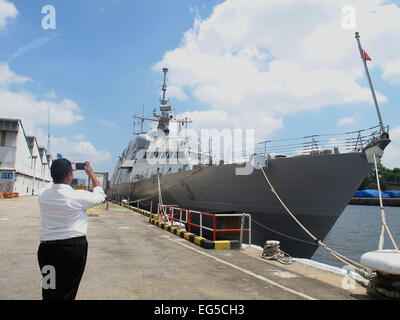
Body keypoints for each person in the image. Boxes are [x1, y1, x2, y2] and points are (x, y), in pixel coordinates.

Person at [37, 158, 105, 300]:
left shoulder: (42, 195)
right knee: (67, 292)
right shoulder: (77, 196)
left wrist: (60, 171)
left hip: (47, 250)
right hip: (72, 251)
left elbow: (53, 182)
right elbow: (100, 196)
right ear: (70, 175)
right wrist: (91, 174)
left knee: (49, 290)